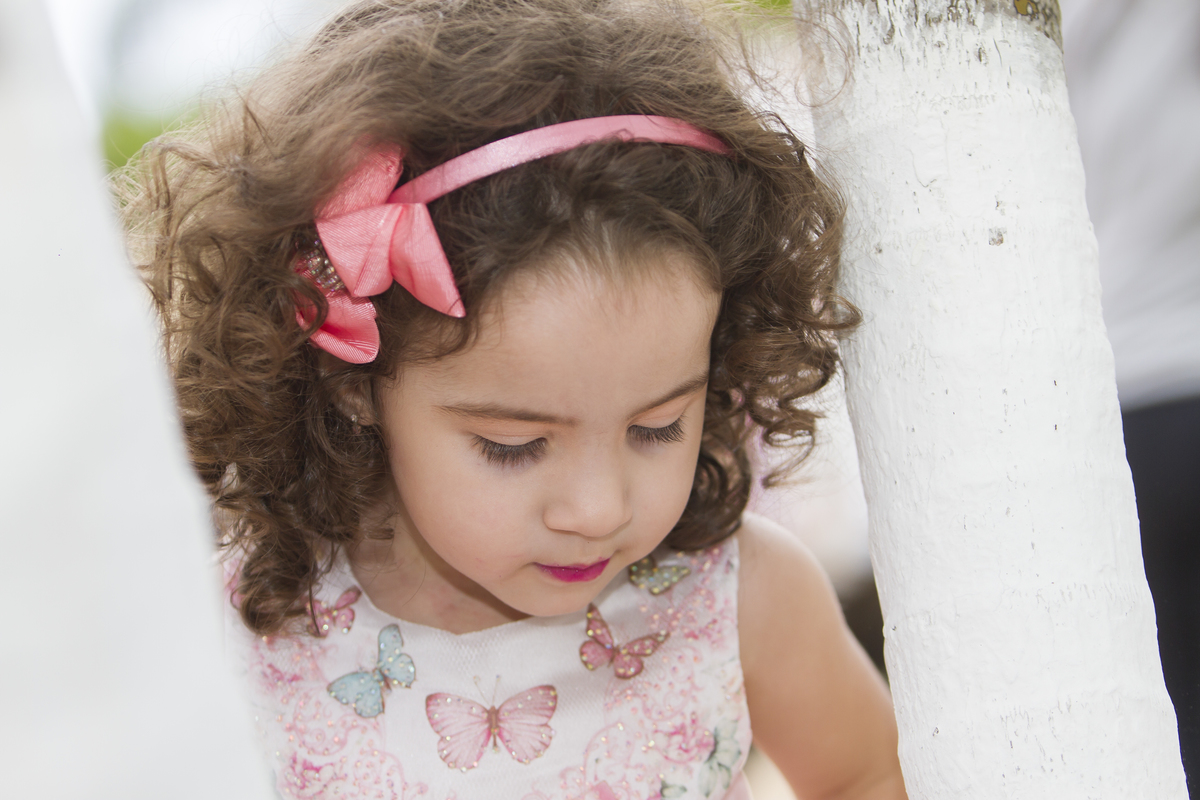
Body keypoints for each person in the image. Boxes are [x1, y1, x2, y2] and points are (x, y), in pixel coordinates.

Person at [120, 1, 905, 797]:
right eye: (514, 445)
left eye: (658, 427)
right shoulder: (231, 633)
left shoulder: (740, 598)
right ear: (352, 382)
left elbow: (864, 777)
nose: (597, 509)